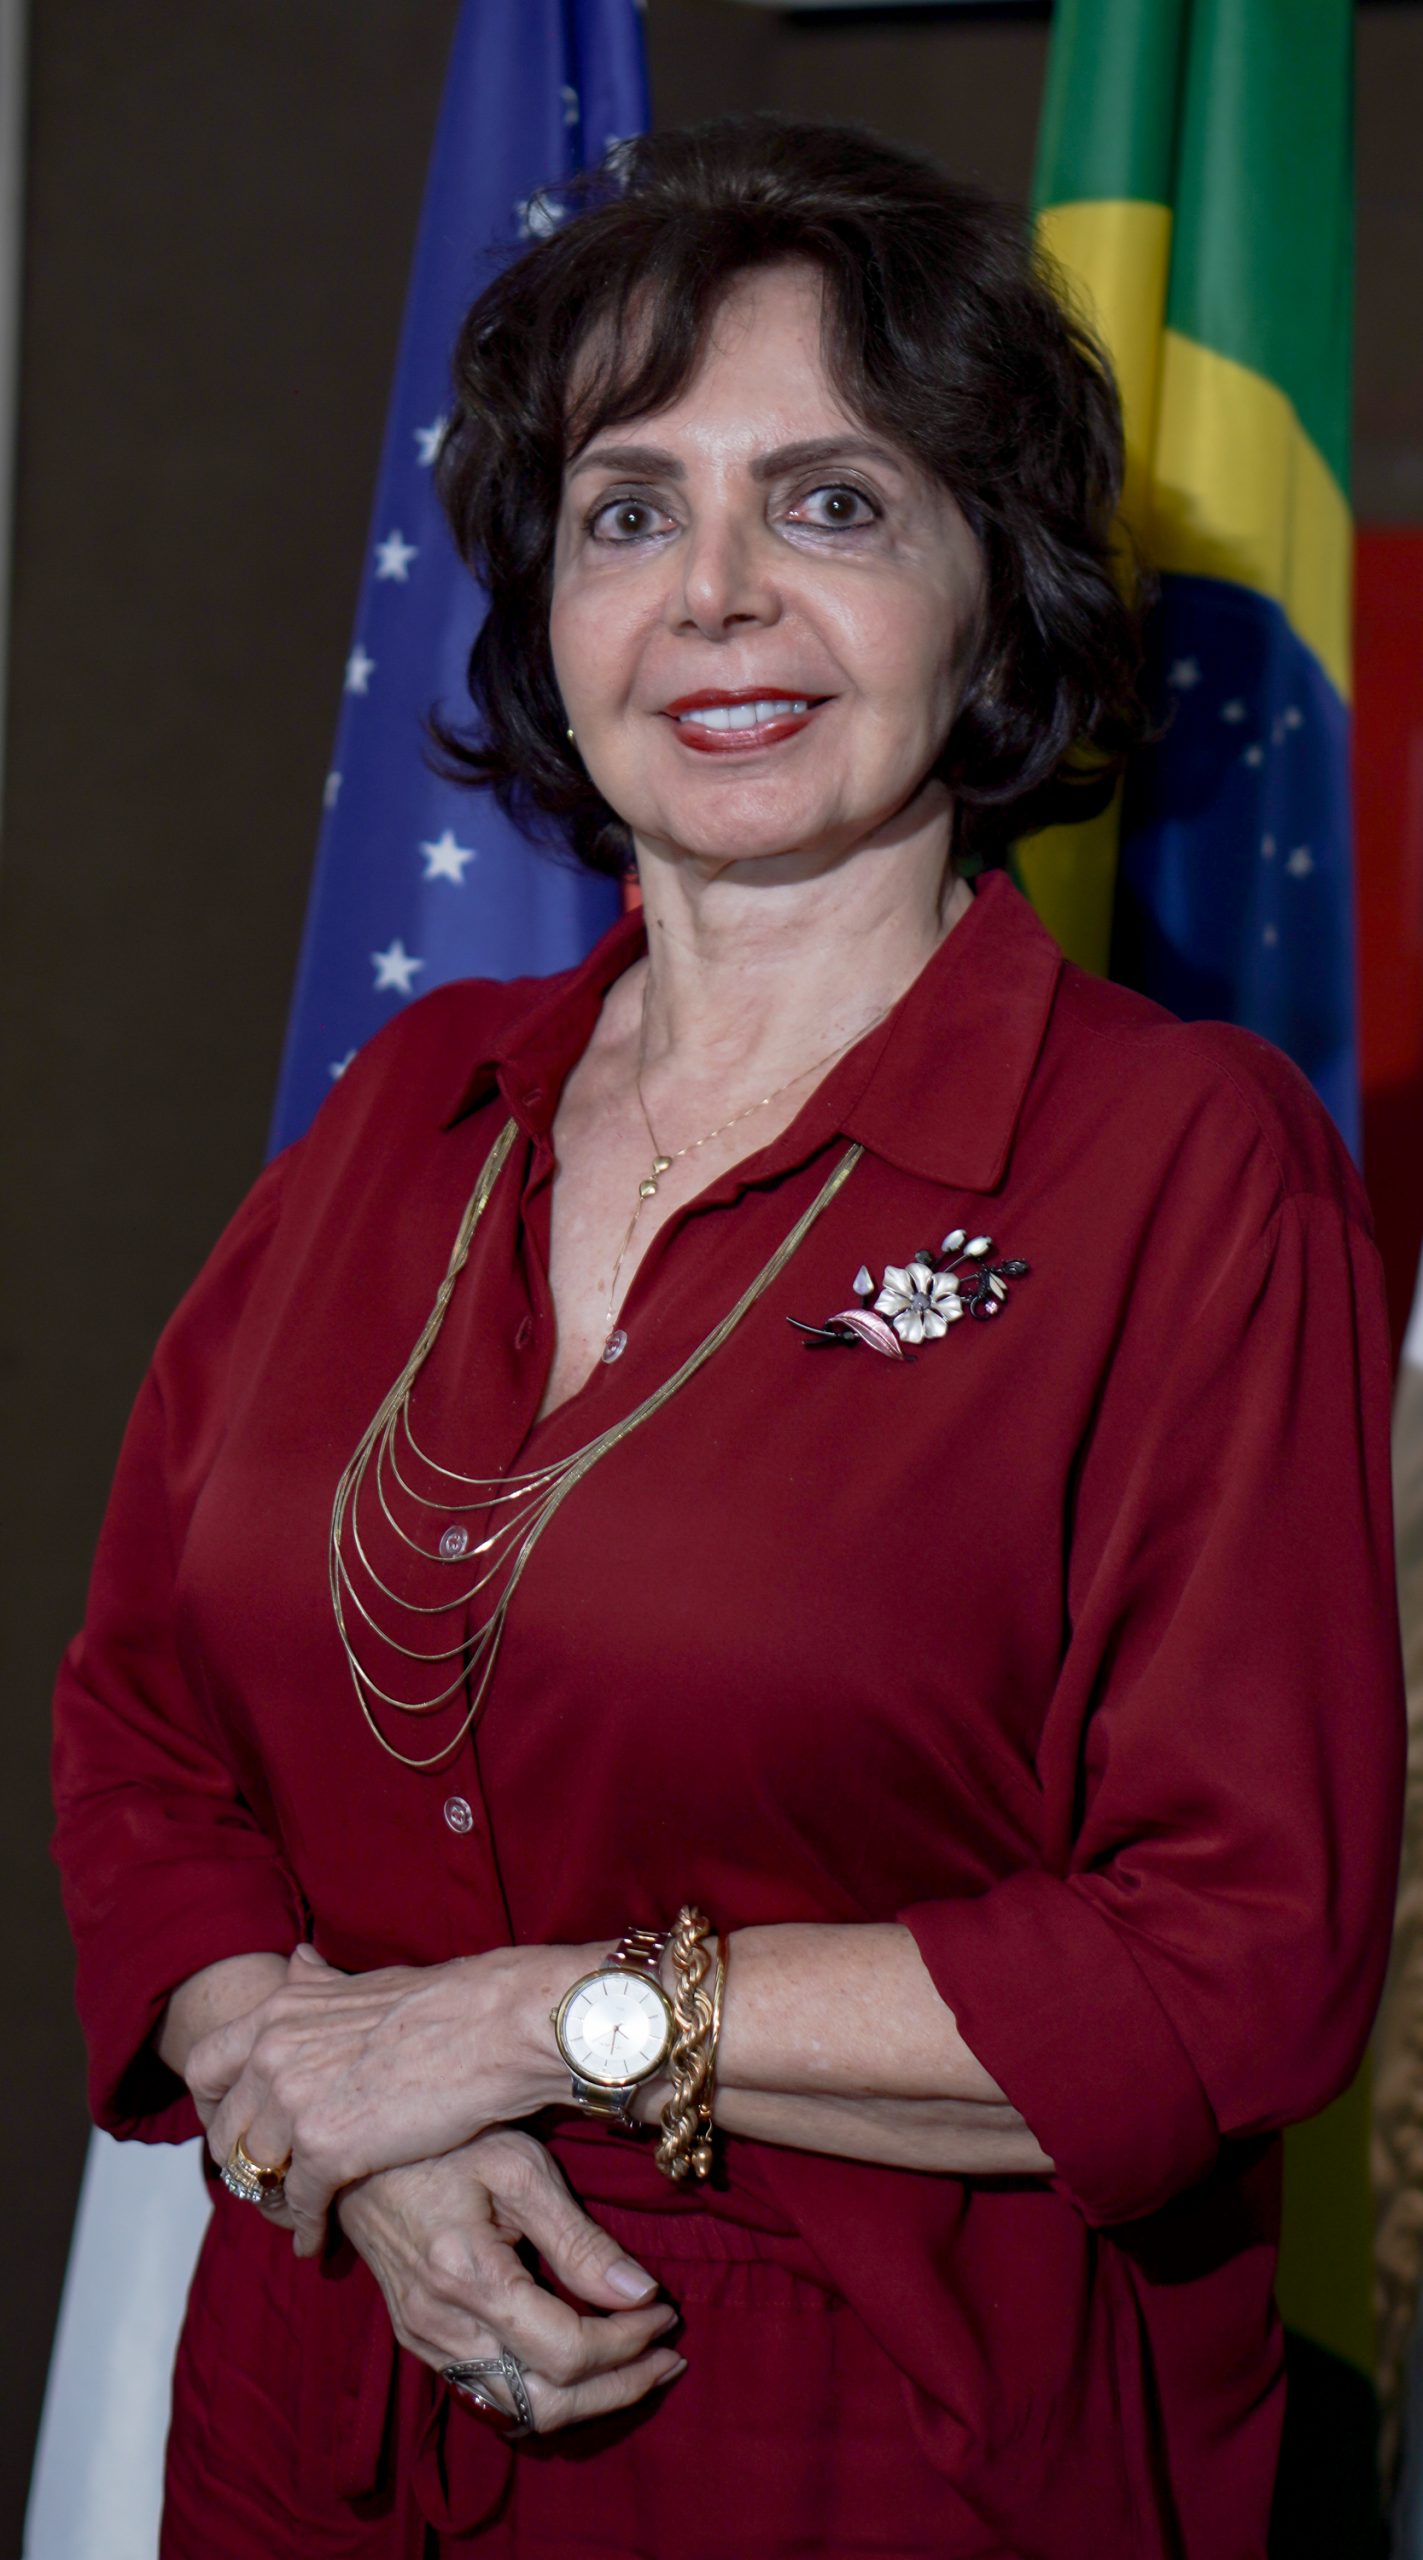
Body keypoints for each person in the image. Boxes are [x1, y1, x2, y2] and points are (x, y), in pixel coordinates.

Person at [52, 116, 1404, 2560]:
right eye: (627, 512)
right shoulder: (402, 1110)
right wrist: (323, 2094)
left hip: (875, 2456)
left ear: (993, 593)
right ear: (546, 618)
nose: (716, 596)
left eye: (832, 503)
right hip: (317, 2399)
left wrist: (520, 2020)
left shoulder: (1181, 1171)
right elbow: (141, 1720)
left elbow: (1236, 1964)